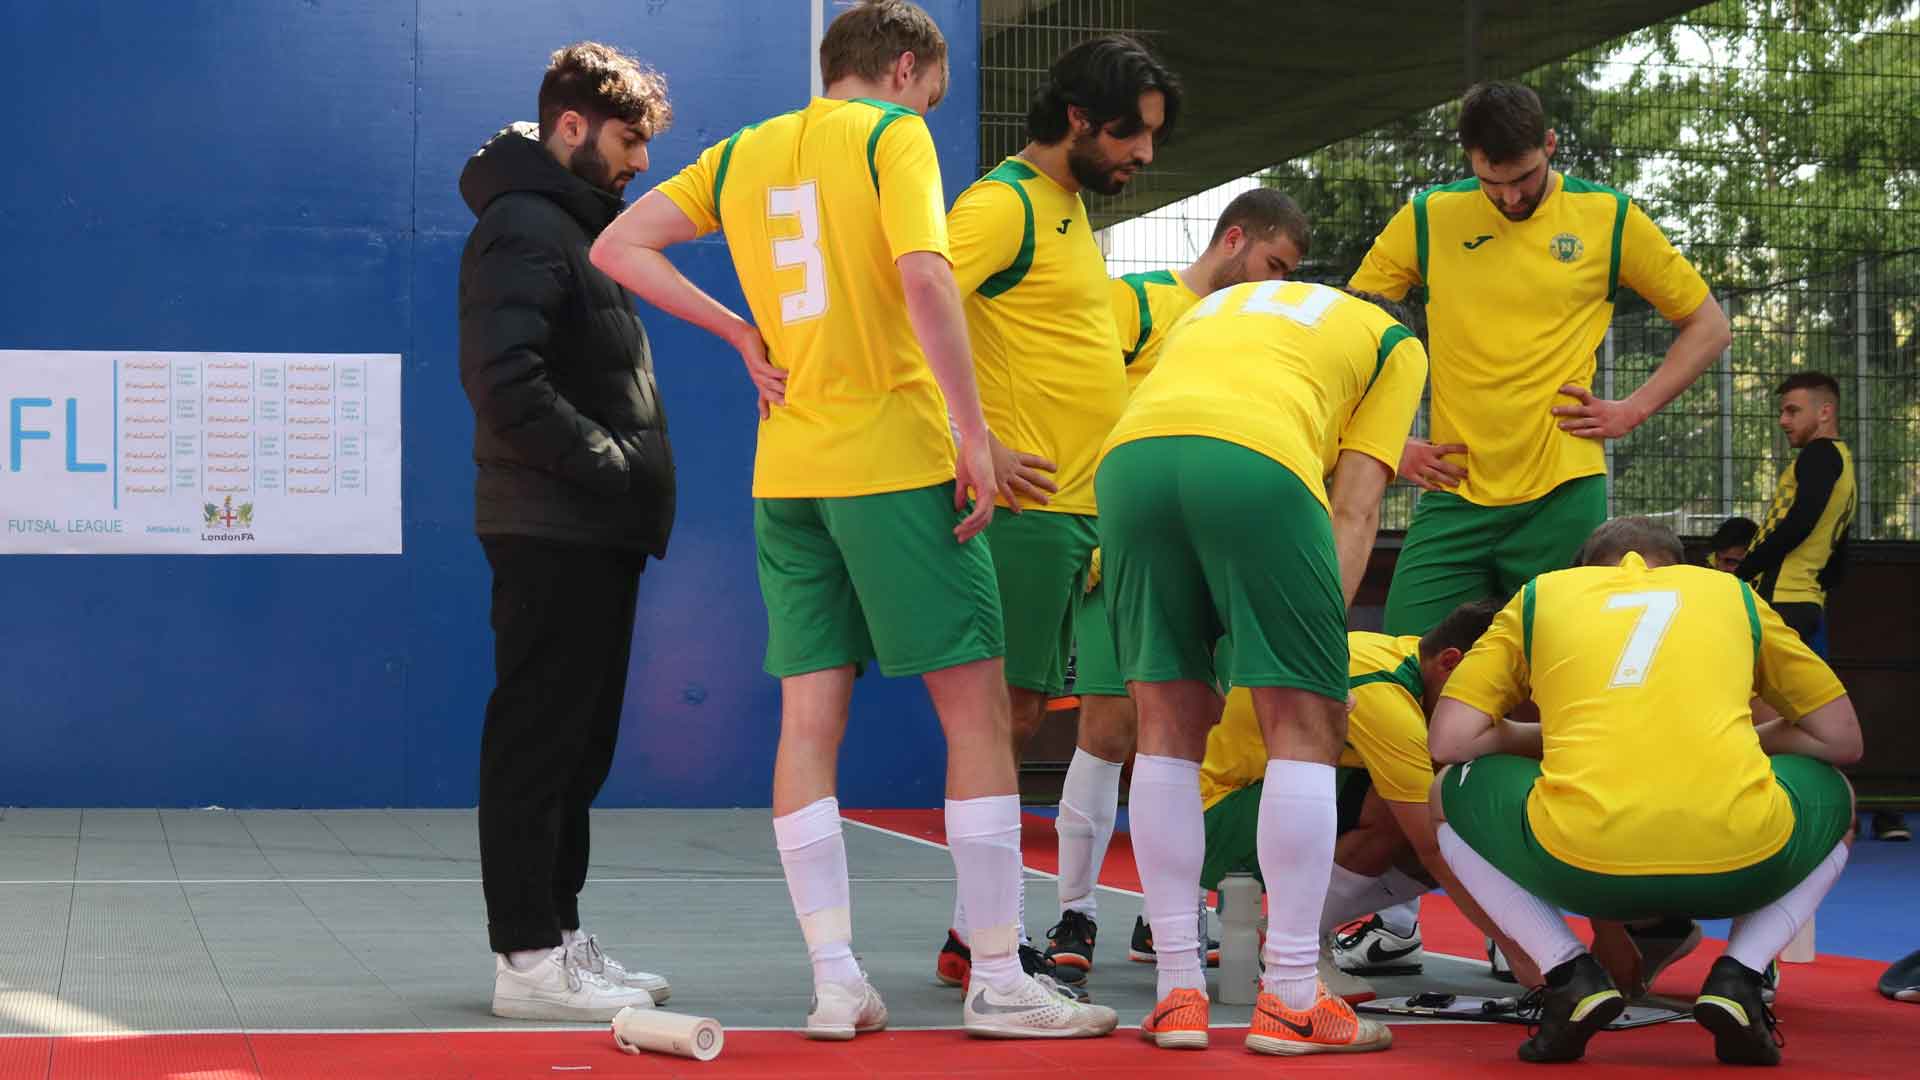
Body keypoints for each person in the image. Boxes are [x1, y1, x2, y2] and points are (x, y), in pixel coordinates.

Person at [588, 0, 1113, 1039]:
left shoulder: (743, 152)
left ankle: (836, 981)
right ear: (905, 68)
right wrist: (974, 433)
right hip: (895, 455)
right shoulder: (892, 136)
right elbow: (925, 275)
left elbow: (618, 244)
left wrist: (739, 331)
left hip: (789, 472)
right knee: (977, 712)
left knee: (806, 725)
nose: (929, 109)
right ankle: (999, 976)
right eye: (932, 92)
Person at [1097, 279, 1428, 1054]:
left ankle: (1177, 993)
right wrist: (1317, 657)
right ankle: (1290, 996)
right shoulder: (1395, 344)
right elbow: (1354, 506)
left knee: (1165, 729)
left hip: (1129, 462)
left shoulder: (1226, 304)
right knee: (1306, 727)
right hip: (1255, 461)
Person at [1429, 517, 1861, 1065]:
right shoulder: (1732, 595)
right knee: (1836, 792)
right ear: (1681, 568)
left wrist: (1558, 737)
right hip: (1743, 862)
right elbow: (1841, 739)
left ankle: (1567, 972)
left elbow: (1449, 741)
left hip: (1580, 867)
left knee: (1446, 793)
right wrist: (1737, 737)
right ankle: (1741, 974)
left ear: (1584, 572)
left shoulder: (1542, 595)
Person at [938, 33, 1181, 983]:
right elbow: (911, 305)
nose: (1144, 154)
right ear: (1078, 118)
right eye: (1131, 134)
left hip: (1081, 512)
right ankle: (979, 939)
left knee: (1019, 716)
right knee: (1000, 720)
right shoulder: (1002, 205)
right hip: (1028, 511)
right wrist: (975, 441)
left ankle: (975, 934)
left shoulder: (1068, 207)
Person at [458, 41, 676, 1022]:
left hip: (593, 528)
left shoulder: (577, 227)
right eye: (629, 140)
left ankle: (559, 935)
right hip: (553, 524)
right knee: (537, 743)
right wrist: (612, 466)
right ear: (572, 126)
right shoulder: (523, 225)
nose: (642, 162)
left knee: (577, 750)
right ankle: (527, 959)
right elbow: (504, 381)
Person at [1350, 81, 1731, 639]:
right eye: (1492, 183)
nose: (1509, 198)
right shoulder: (1429, 217)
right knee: (1407, 658)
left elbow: (1710, 326)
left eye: (1523, 179)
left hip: (1562, 492)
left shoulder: (1609, 218)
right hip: (1454, 490)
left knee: (1564, 661)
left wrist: (1632, 410)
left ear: (1550, 144)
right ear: (1469, 159)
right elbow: (1353, 327)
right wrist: (1389, 443)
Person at [1044, 188, 1310, 985]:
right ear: (1234, 239)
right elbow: (1076, 396)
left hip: (1215, 549)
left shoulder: (1257, 335)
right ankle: (1075, 912)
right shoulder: (1138, 303)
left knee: (1195, 729)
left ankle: (1171, 914)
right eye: (1272, 264)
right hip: (1122, 539)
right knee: (1109, 723)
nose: (1277, 283)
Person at [1190, 599, 1543, 1004]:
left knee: (1444, 815)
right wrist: (1527, 954)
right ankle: (1293, 947)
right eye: (1497, 696)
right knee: (1416, 816)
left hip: (1255, 806)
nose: (1497, 711)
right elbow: (1435, 847)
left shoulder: (1407, 662)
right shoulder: (1385, 698)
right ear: (1450, 662)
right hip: (1215, 822)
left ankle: (1287, 935)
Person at [1732, 374, 1898, 842]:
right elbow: (1838, 552)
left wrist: (1742, 573)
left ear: (1825, 412)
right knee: (1785, 716)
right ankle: (1829, 815)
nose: (1783, 421)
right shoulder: (1841, 463)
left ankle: (1811, 819)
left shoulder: (1820, 455)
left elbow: (1800, 521)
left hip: (1782, 601)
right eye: (1782, 412)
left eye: (1793, 410)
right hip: (1802, 601)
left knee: (1762, 717)